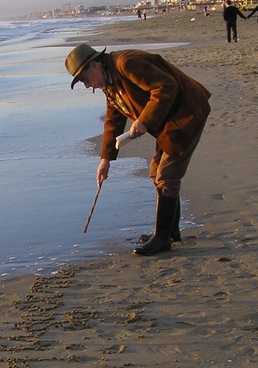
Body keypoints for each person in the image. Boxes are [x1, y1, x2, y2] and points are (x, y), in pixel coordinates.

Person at [65, 44, 211, 256]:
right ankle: (170, 231)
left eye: (85, 78)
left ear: (95, 64)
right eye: (82, 82)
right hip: (166, 122)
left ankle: (162, 238)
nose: (87, 85)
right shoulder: (109, 83)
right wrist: (105, 159)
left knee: (167, 176)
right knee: (155, 173)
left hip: (186, 113)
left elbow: (166, 86)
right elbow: (113, 120)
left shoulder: (126, 64)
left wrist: (144, 120)